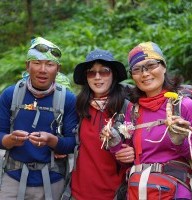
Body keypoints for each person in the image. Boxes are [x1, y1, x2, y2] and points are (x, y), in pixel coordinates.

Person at [102, 41, 192, 199]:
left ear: (164, 66)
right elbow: (129, 161)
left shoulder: (184, 106)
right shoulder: (133, 110)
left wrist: (180, 143)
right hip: (138, 190)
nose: (145, 74)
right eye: (137, 69)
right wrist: (115, 145)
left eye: (151, 65)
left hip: (175, 192)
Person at [0, 37, 78, 200]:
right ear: (27, 66)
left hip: (52, 179)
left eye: (49, 64)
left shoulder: (68, 99)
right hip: (13, 177)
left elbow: (73, 143)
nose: (43, 69)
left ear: (58, 69)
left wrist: (52, 141)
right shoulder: (11, 94)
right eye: (36, 62)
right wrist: (10, 140)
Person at [71, 49, 135, 200]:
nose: (97, 77)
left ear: (113, 75)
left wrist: (132, 153)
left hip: (115, 193)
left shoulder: (128, 108)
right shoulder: (79, 107)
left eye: (104, 72)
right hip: (78, 193)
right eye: (91, 72)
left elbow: (143, 146)